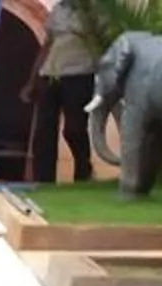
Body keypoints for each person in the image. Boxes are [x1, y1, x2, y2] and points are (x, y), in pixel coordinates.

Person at [32, 0, 99, 184]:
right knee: (44, 130)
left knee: (74, 129)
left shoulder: (94, 11)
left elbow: (101, 43)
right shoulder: (59, 9)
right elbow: (47, 45)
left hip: (80, 73)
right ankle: (43, 180)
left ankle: (83, 170)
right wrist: (33, 79)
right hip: (51, 73)